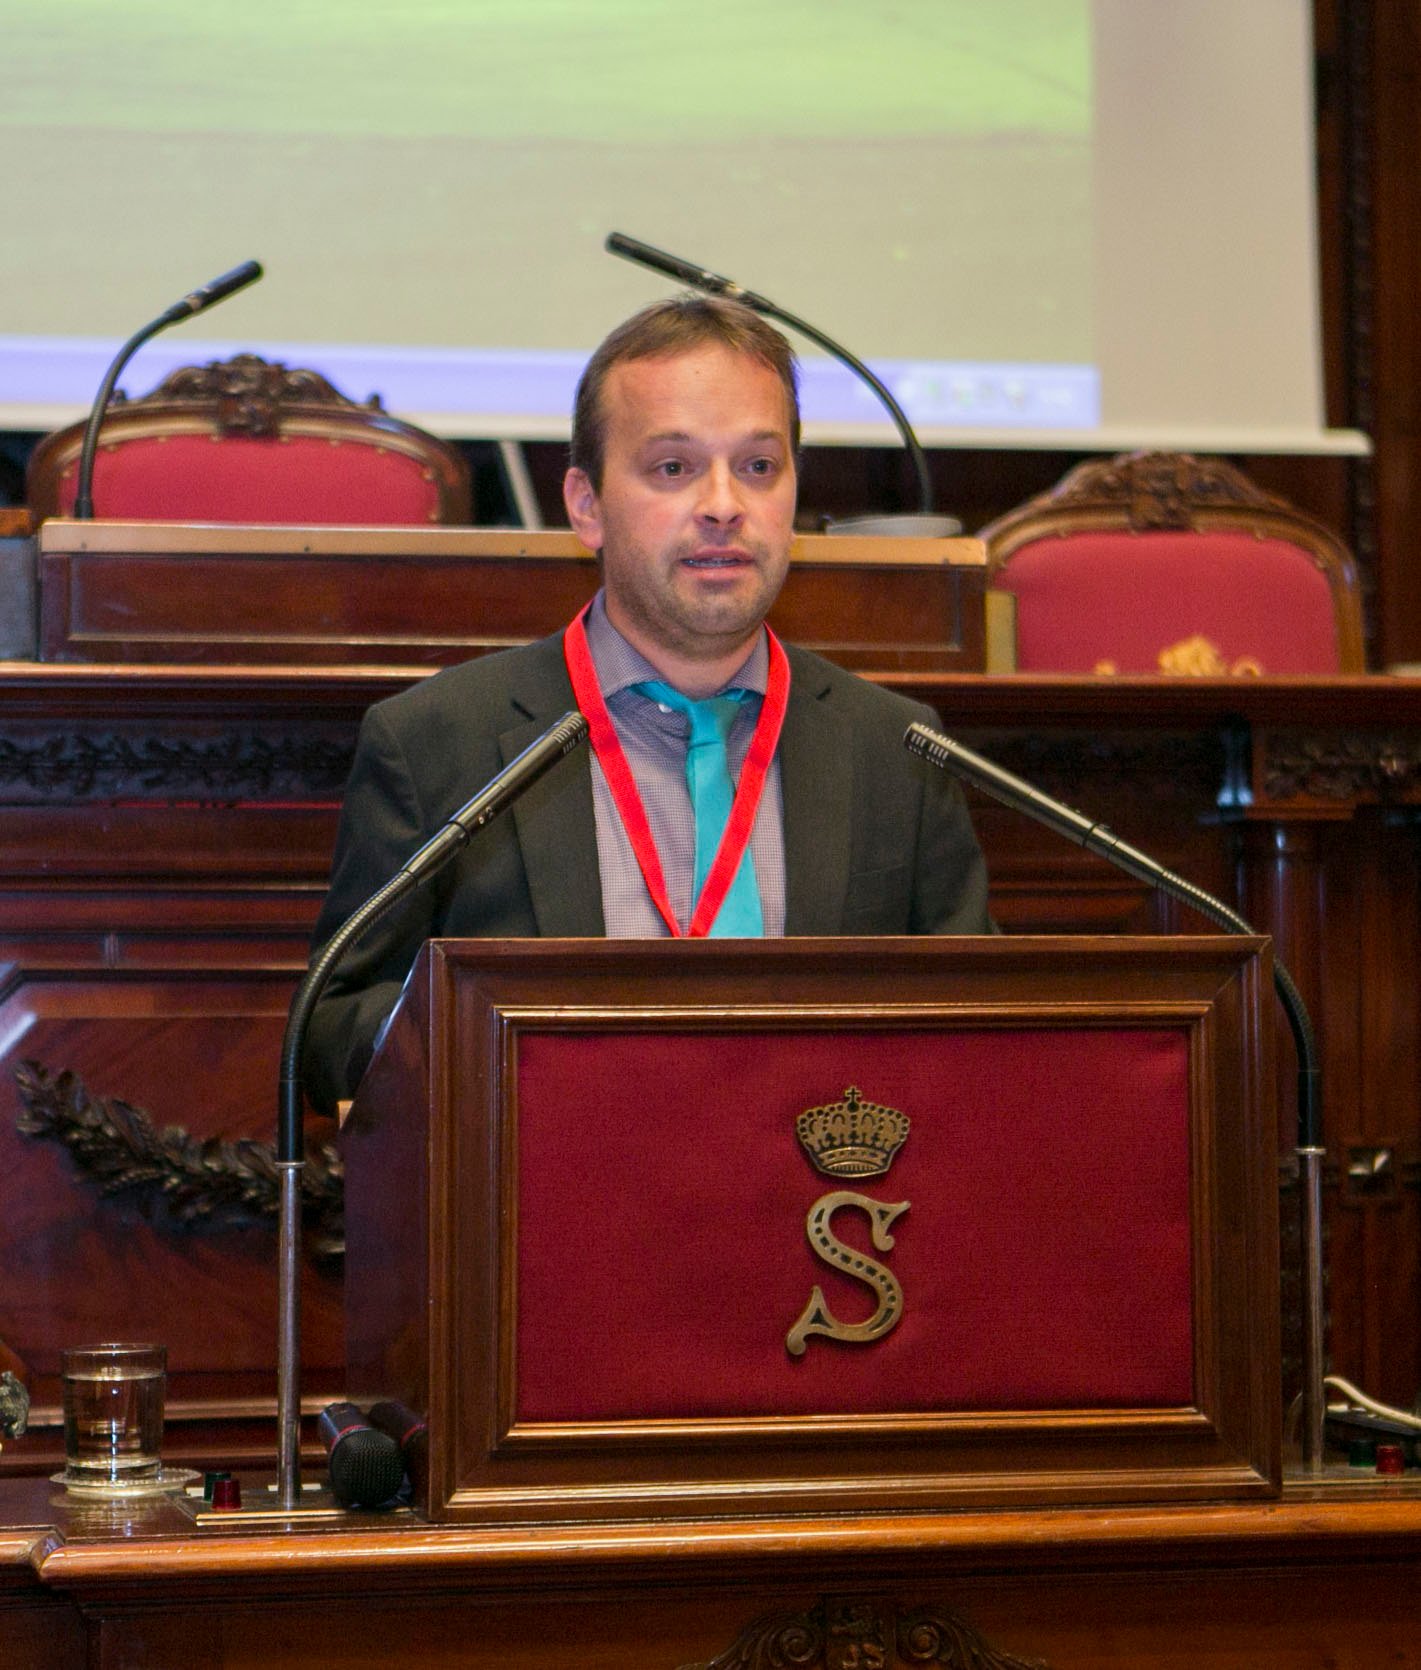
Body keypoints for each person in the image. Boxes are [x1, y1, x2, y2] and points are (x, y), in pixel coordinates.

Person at [301, 298, 991, 1113]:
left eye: (759, 467)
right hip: (555, 1210)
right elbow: (330, 1030)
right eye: (674, 468)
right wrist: (500, 1036)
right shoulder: (436, 742)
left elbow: (978, 1030)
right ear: (585, 505)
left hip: (827, 1210)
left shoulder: (896, 748)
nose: (724, 504)